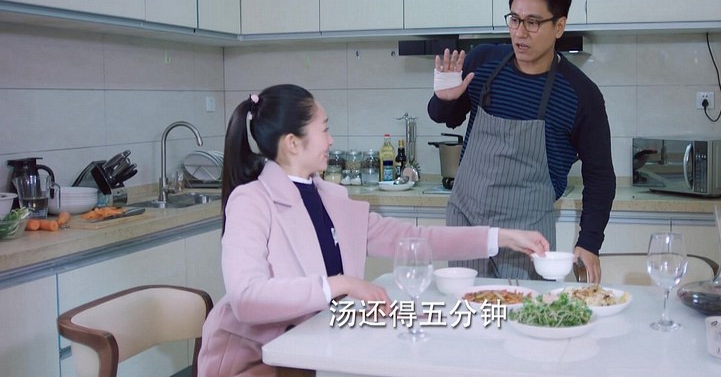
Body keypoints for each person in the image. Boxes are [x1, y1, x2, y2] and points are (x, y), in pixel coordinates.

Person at [198, 84, 549, 377]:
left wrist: (501, 237)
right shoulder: (251, 201)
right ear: (293, 142)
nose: (331, 140)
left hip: (319, 349)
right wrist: (342, 284)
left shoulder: (330, 198)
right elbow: (247, 299)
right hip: (259, 362)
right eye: (324, 130)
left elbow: (414, 239)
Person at [427, 0, 616, 282]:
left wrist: (590, 242)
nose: (520, 32)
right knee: (469, 307)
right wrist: (443, 99)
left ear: (559, 26)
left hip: (529, 235)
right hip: (468, 223)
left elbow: (600, 176)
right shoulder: (483, 62)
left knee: (524, 308)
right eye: (514, 20)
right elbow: (444, 116)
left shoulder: (582, 95)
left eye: (533, 22)